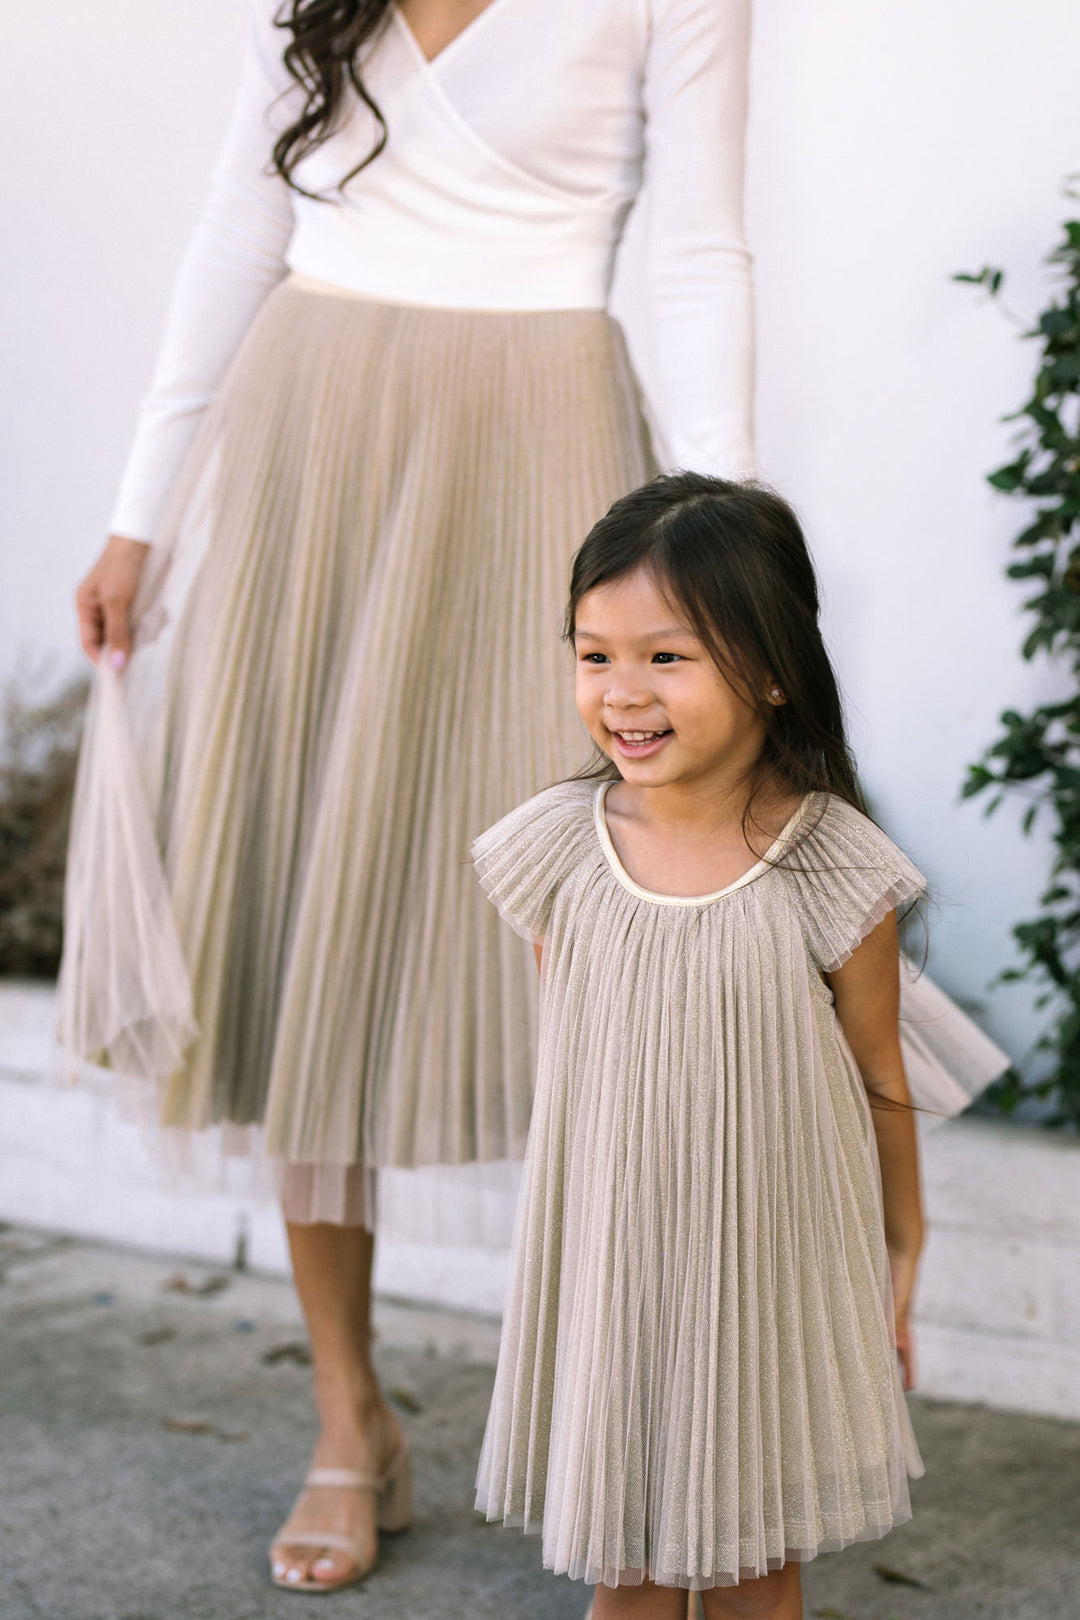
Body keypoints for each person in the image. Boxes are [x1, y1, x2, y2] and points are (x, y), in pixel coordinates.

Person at [61, 0, 758, 1595]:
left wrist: (732, 558)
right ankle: (345, 1414)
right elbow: (242, 214)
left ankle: (635, 1453)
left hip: (544, 441)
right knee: (327, 921)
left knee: (605, 965)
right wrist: (138, 515)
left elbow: (706, 254)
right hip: (315, 433)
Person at [472, 474, 933, 1619]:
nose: (622, 693)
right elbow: (582, 1065)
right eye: (595, 655)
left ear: (773, 670)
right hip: (620, 1267)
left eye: (666, 658)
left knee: (751, 1566)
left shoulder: (830, 867)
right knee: (625, 1569)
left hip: (769, 1272)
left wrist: (901, 1254)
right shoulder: (560, 854)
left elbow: (879, 1076)